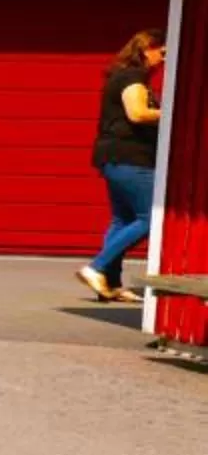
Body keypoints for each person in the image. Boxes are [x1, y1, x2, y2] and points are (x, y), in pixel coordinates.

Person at [80, 28, 166, 303]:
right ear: (145, 50)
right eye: (161, 53)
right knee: (151, 217)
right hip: (130, 158)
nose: (163, 59)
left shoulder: (125, 77)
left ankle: (110, 283)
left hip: (116, 158)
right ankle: (95, 267)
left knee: (123, 220)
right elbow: (138, 114)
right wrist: (172, 112)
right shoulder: (133, 77)